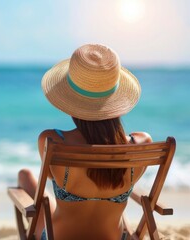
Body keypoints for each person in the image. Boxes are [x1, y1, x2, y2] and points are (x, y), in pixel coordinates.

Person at [17, 44, 152, 240]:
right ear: (115, 101)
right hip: (114, 237)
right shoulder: (141, 143)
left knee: (25, 176)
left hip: (59, 236)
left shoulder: (51, 140)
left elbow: (50, 178)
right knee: (113, 199)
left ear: (71, 101)